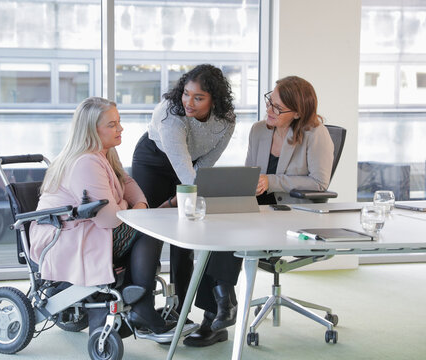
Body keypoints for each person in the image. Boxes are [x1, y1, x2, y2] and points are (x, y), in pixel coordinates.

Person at [185, 75, 334, 347]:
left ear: (298, 112)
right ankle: (222, 301)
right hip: (259, 204)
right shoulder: (259, 130)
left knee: (235, 230)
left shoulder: (316, 134)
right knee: (215, 224)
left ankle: (215, 314)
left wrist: (272, 181)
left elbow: (319, 182)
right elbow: (249, 173)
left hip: (292, 211)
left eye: (278, 107)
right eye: (270, 101)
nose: (270, 110)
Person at [29, 97, 175, 338]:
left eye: (119, 122)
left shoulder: (105, 155)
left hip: (86, 231)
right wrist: (128, 205)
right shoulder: (86, 162)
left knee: (149, 222)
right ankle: (142, 307)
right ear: (91, 130)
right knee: (149, 227)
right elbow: (109, 219)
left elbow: (132, 187)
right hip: (63, 239)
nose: (120, 128)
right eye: (112, 124)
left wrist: (131, 204)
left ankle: (139, 304)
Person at [131, 64, 236, 313]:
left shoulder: (226, 119)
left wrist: (197, 195)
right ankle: (141, 306)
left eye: (199, 97)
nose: (189, 101)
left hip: (192, 167)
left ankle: (180, 309)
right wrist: (200, 198)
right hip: (154, 162)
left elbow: (206, 164)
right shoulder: (170, 114)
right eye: (186, 93)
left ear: (215, 100)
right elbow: (184, 169)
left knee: (185, 237)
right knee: (151, 232)